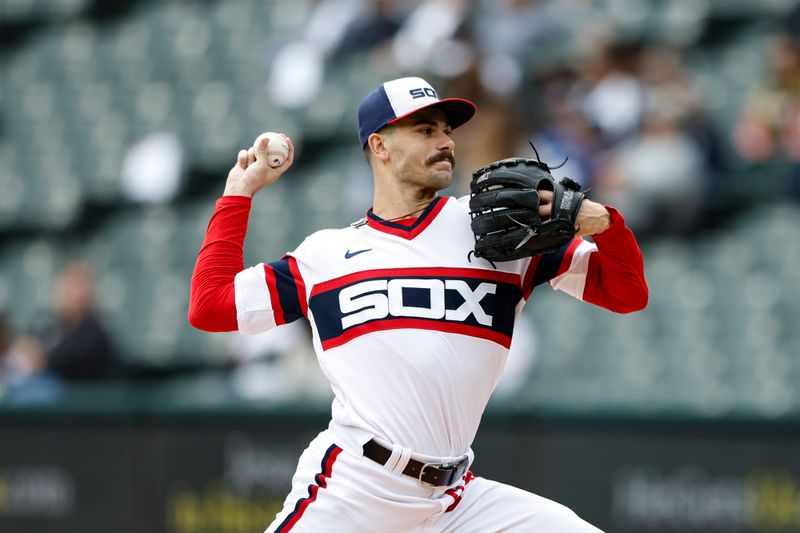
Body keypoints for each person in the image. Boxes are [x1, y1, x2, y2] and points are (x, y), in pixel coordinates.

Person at [189, 76, 648, 532]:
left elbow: (626, 294)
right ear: (380, 146)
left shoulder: (496, 231)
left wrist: (603, 222)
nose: (446, 141)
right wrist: (238, 193)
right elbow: (210, 307)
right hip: (356, 490)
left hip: (455, 503)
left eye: (447, 130)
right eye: (425, 130)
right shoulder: (324, 256)